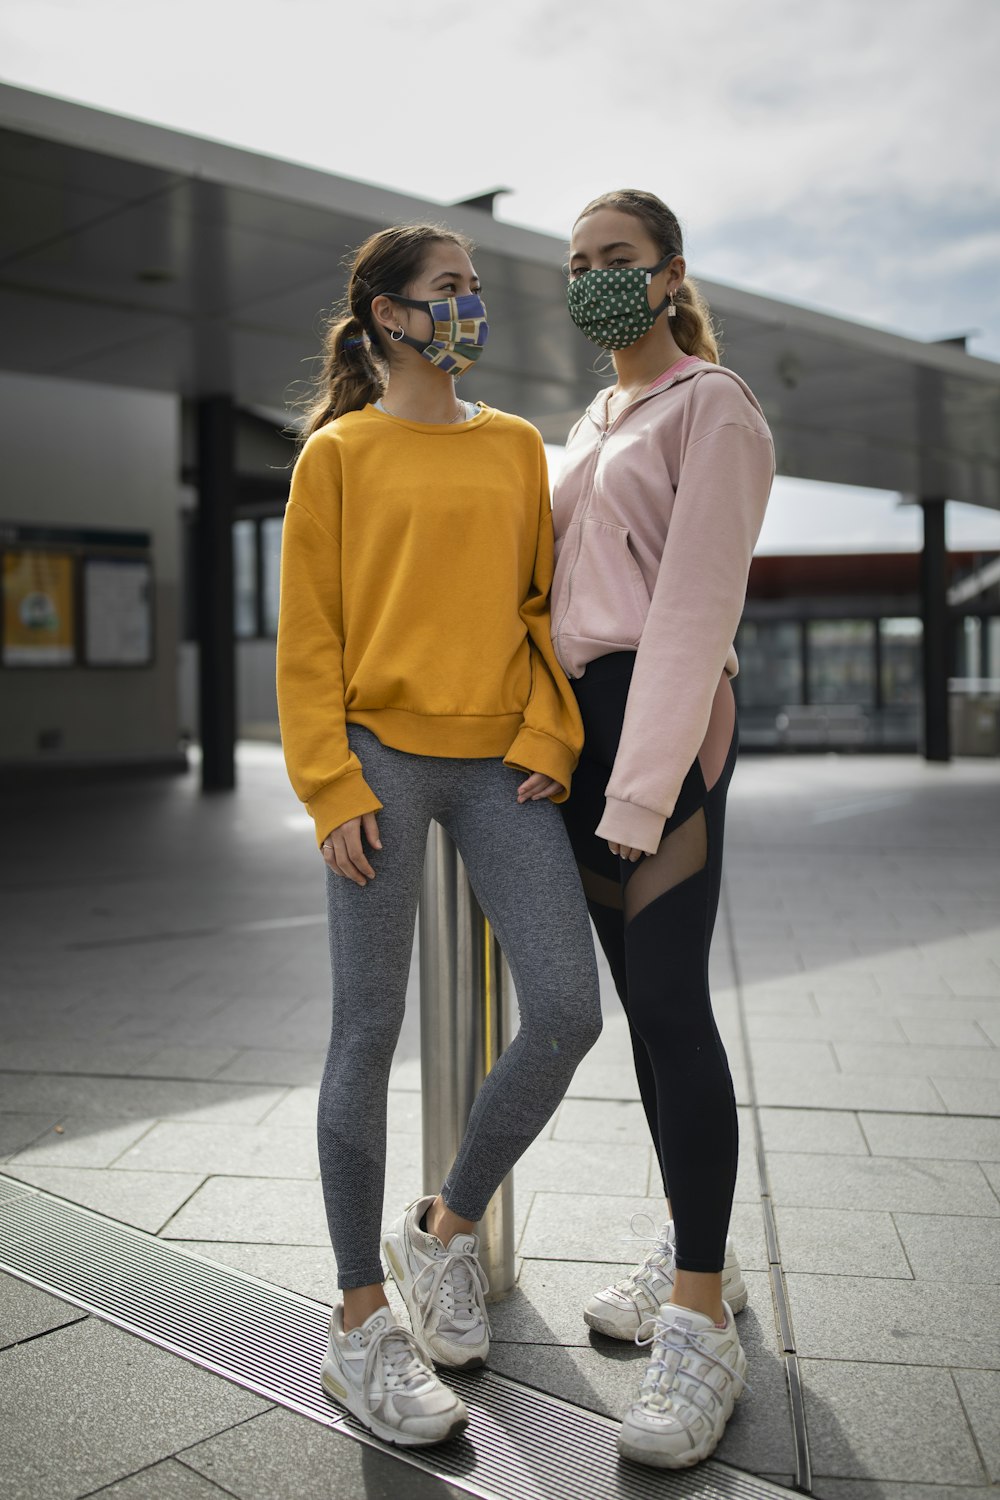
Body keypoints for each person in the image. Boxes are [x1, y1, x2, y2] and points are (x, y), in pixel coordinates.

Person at [276, 223, 602, 1449]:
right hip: (375, 758)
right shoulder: (338, 455)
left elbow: (542, 610)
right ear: (385, 316)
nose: (468, 307)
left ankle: (445, 1230)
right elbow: (308, 636)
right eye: (445, 290)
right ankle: (360, 1324)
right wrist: (329, 785)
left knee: (567, 1008)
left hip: (502, 764)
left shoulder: (517, 446)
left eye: (472, 289)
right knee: (366, 1028)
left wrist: (549, 739)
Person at [551, 188, 774, 1470]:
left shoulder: (714, 405)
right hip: (576, 736)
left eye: (615, 260)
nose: (593, 278)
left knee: (674, 1006)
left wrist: (638, 791)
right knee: (643, 1010)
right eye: (576, 263)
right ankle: (702, 1247)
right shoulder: (587, 422)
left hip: (661, 727)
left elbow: (691, 611)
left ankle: (700, 1325)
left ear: (668, 272)